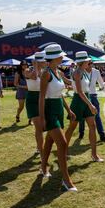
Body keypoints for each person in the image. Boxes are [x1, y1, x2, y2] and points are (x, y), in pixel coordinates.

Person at [39, 44, 77, 191]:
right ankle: (66, 179)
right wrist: (42, 118)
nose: (63, 57)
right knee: (62, 143)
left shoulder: (58, 72)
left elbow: (59, 94)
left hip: (58, 109)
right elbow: (41, 96)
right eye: (60, 55)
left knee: (50, 139)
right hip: (48, 109)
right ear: (54, 57)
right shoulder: (45, 73)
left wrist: (69, 110)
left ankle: (43, 166)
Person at [64, 51, 103, 162]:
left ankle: (94, 154)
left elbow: (78, 87)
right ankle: (64, 150)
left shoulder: (84, 72)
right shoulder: (77, 72)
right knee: (72, 128)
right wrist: (91, 105)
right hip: (78, 101)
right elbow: (79, 91)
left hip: (86, 98)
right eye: (87, 60)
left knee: (93, 126)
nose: (89, 62)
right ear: (83, 62)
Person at [78, 59, 105, 142]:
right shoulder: (80, 72)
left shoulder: (96, 72)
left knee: (97, 115)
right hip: (84, 96)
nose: (90, 65)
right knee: (82, 116)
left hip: (93, 96)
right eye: (88, 63)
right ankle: (81, 133)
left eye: (91, 63)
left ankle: (102, 135)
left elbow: (101, 83)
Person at [25, 51, 47, 161]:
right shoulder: (28, 70)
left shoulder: (45, 72)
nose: (46, 62)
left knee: (42, 127)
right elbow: (34, 77)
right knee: (39, 127)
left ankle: (39, 147)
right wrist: (35, 66)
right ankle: (42, 151)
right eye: (44, 60)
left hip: (42, 98)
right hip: (32, 100)